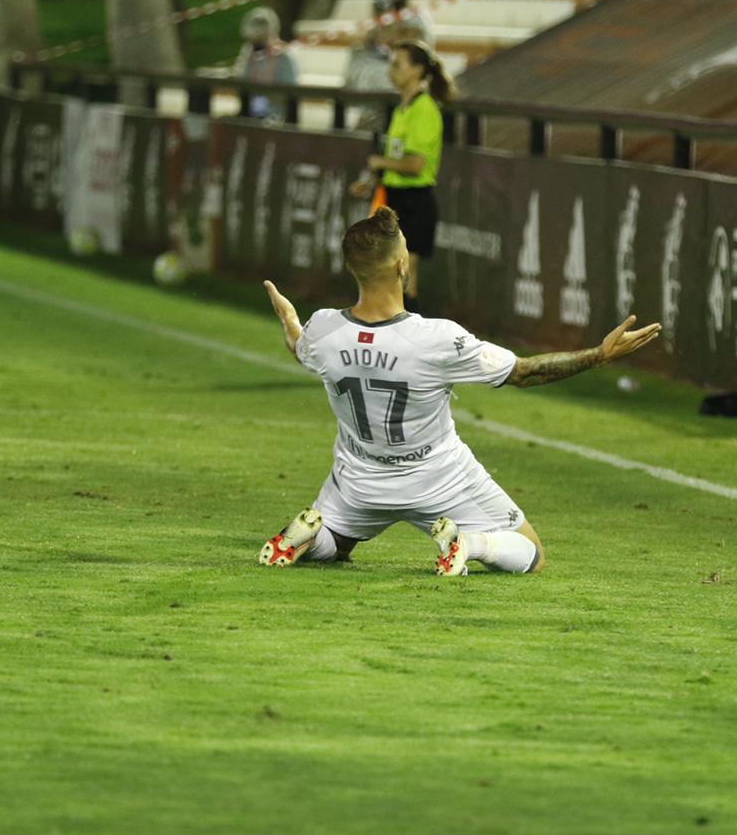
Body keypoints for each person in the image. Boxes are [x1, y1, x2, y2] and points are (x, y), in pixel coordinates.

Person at [258, 206, 660, 576]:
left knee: (339, 545)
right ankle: (471, 542)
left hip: (359, 483)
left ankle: (312, 538)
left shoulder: (324, 330)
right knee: (531, 553)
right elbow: (524, 372)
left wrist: (292, 322)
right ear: (401, 265)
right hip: (439, 479)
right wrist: (600, 354)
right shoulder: (437, 339)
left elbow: (301, 348)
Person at [350, 40, 452, 313]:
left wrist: (379, 161)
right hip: (395, 198)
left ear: (418, 70)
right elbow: (398, 156)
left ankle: (411, 343)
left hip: (414, 202)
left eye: (398, 65)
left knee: (405, 278)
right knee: (392, 276)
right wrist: (373, 179)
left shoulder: (424, 110)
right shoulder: (403, 108)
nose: (391, 71)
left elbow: (416, 164)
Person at [232, 6, 298, 121]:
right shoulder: (249, 55)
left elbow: (290, 94)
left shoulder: (284, 58)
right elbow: (242, 84)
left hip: (276, 115)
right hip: (251, 114)